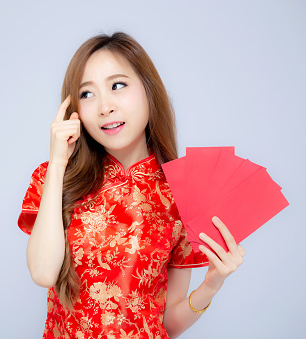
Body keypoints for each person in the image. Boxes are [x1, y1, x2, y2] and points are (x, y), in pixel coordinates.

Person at [17, 32, 245, 339]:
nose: (104, 107)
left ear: (149, 91)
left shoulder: (180, 193)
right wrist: (58, 163)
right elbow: (43, 273)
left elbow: (167, 325)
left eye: (117, 85)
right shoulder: (54, 178)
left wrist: (212, 284)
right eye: (87, 94)